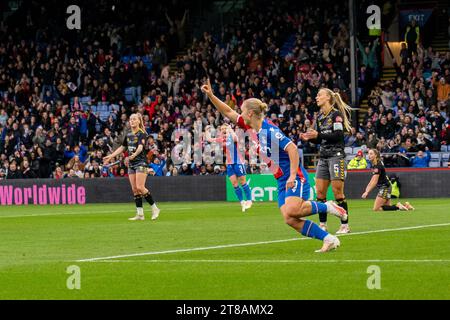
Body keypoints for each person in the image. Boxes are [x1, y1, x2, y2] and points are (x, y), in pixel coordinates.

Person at [201, 79, 347, 253]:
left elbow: (292, 149)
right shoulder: (250, 127)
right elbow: (227, 111)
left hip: (294, 176)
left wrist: (293, 175)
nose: (239, 114)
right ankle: (329, 239)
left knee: (294, 209)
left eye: (242, 111)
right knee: (289, 218)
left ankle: (329, 206)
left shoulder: (270, 131)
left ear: (250, 114)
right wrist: (211, 95)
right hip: (280, 178)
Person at [300, 88, 352, 234]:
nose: (316, 97)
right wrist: (310, 137)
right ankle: (322, 225)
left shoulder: (336, 115)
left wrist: (319, 134)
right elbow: (319, 138)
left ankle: (345, 225)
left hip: (336, 155)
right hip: (323, 156)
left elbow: (338, 135)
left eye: (319, 95)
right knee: (320, 193)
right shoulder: (320, 116)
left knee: (337, 193)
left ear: (328, 97)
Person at [103, 113, 160, 221]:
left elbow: (140, 147)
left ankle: (155, 208)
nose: (132, 121)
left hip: (141, 163)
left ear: (139, 121)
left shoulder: (142, 133)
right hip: (132, 164)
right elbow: (123, 147)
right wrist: (111, 156)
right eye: (130, 119)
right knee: (135, 189)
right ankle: (140, 214)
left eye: (134, 119)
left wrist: (134, 155)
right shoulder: (128, 134)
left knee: (140, 187)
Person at [207, 124, 252, 212]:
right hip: (230, 164)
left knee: (243, 182)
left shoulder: (232, 137)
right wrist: (206, 130)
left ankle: (249, 200)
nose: (223, 130)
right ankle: (242, 202)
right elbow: (209, 139)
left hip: (238, 162)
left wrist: (230, 129)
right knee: (234, 184)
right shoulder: (221, 139)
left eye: (225, 128)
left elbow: (236, 138)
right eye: (222, 129)